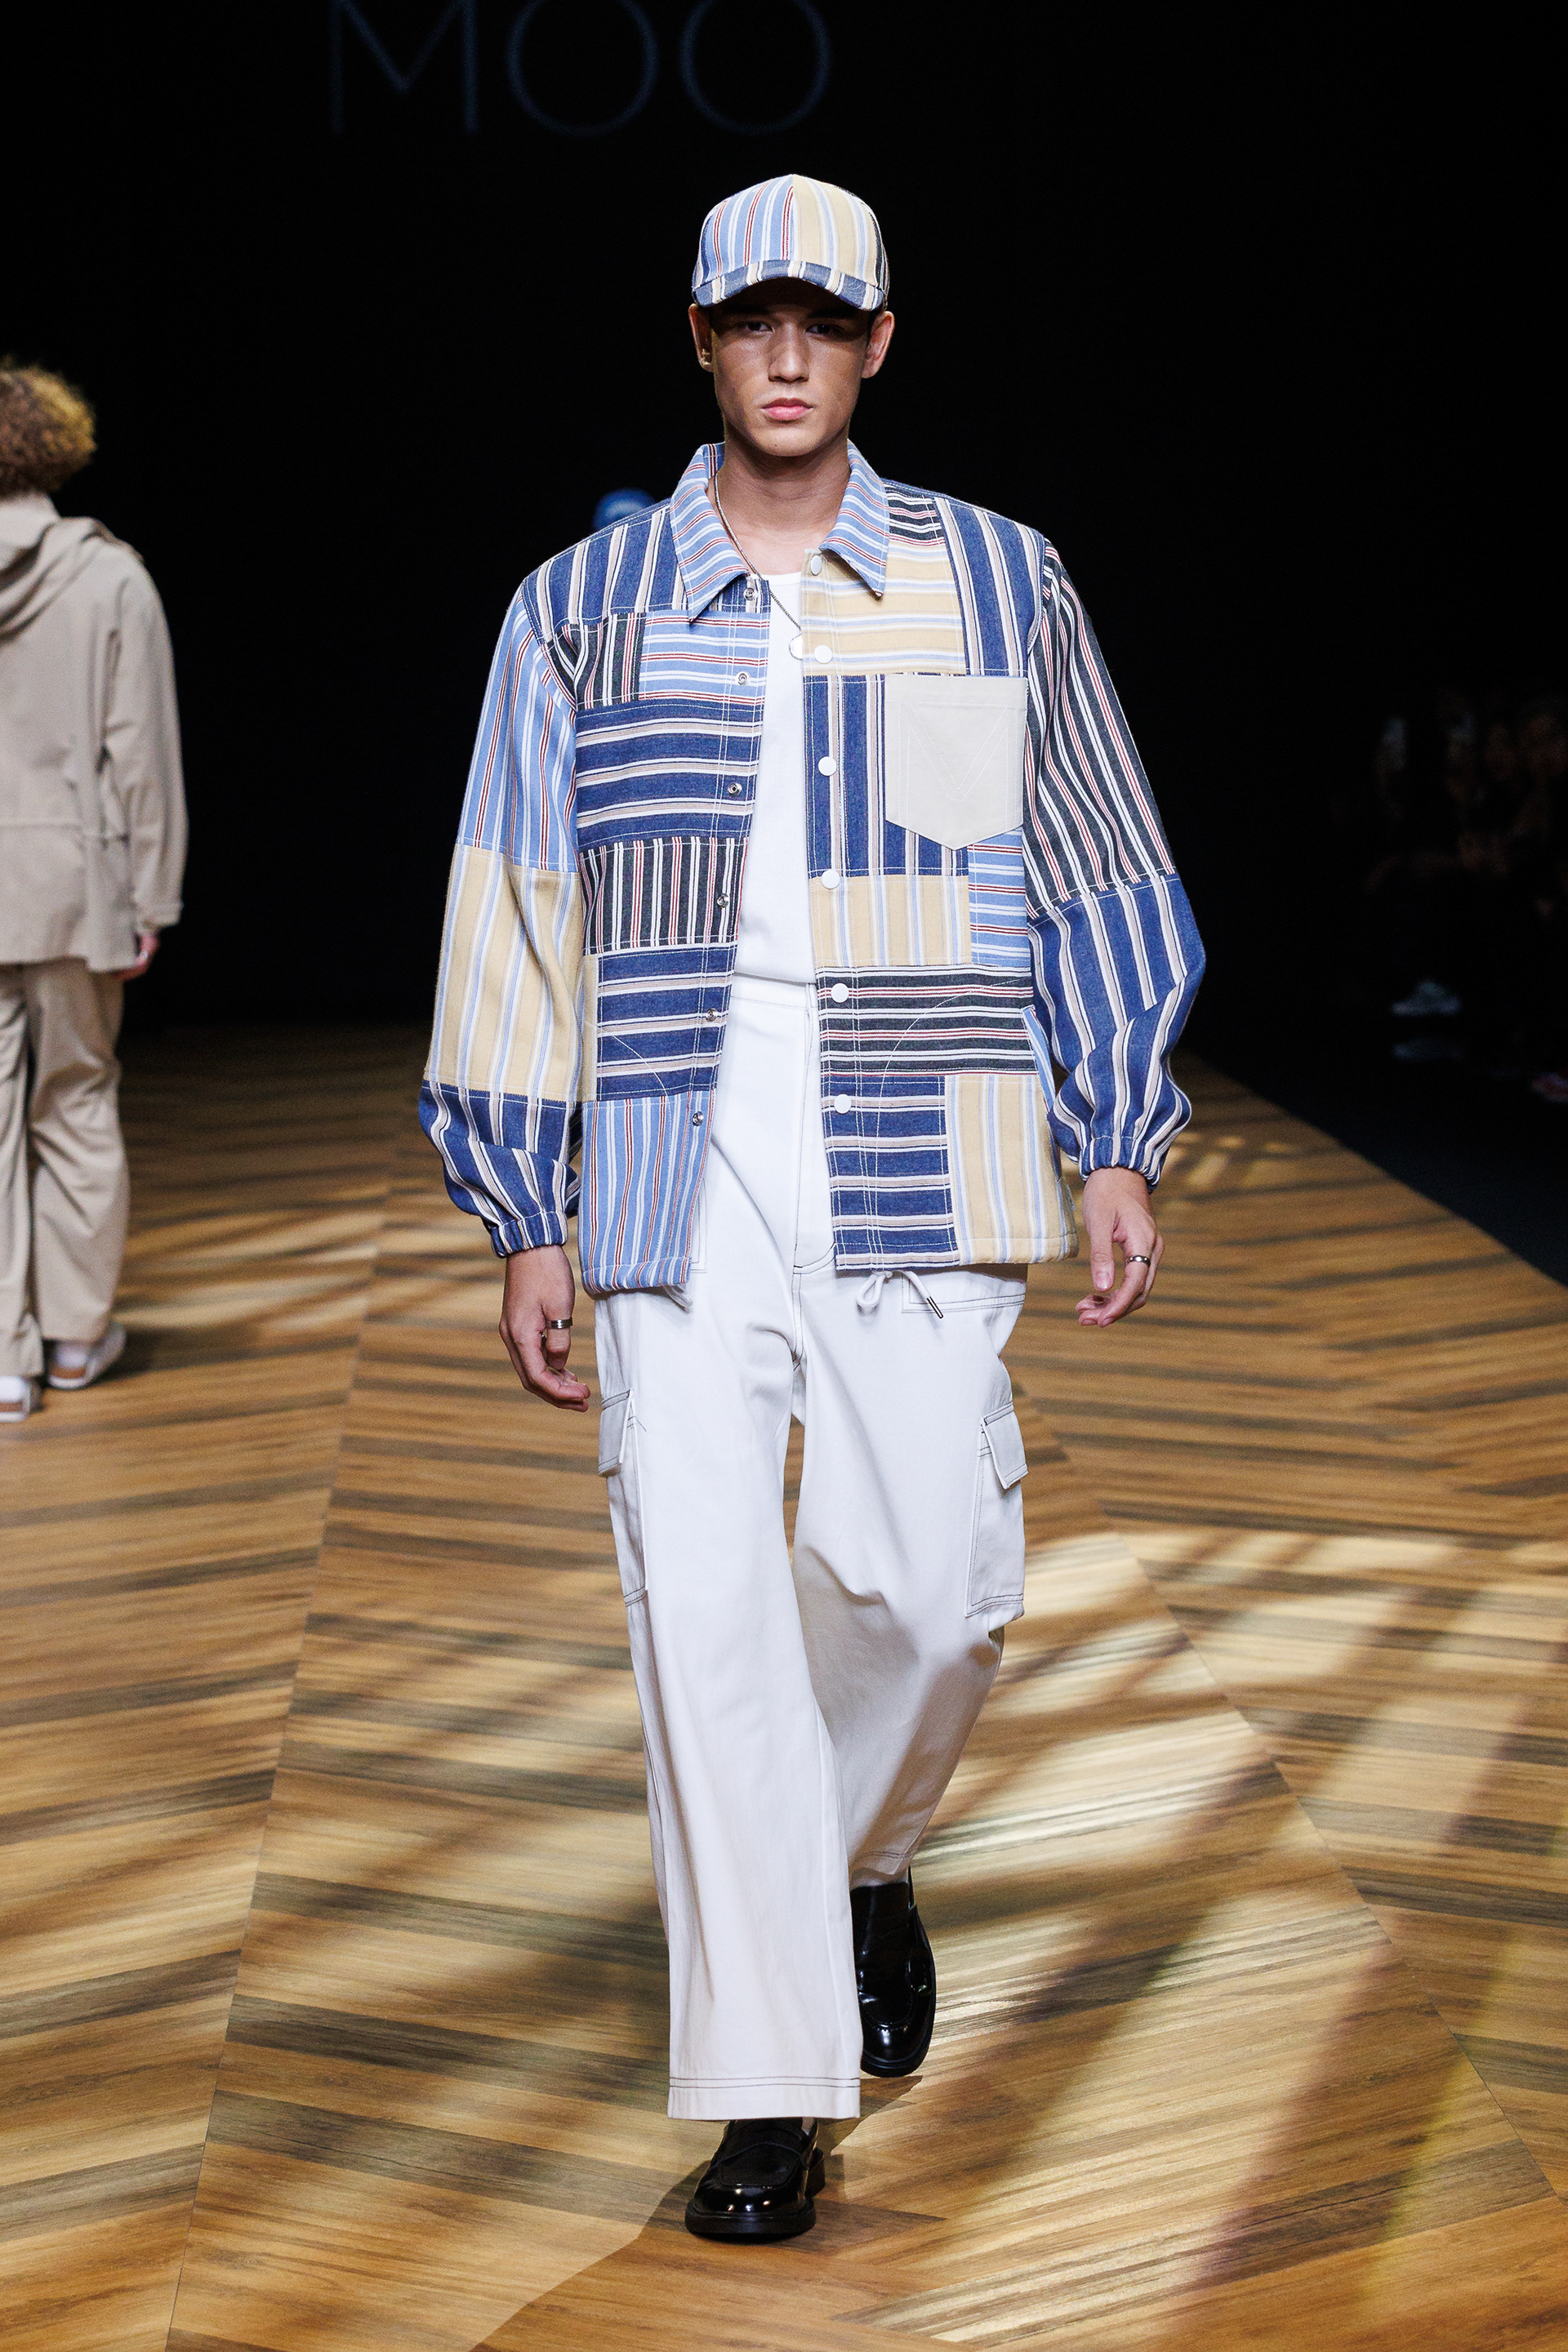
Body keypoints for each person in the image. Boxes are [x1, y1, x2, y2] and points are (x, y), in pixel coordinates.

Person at [421, 176, 1204, 2240]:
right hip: (669, 1140)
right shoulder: (582, 604)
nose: (787, 355)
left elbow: (1096, 862)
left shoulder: (997, 578)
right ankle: (769, 2090)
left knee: (929, 1594)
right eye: (752, 319)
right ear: (699, 337)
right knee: (702, 1616)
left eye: (824, 321)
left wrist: (1116, 1128)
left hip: (925, 1123)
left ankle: (861, 1858)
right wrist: (524, 1204)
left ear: (878, 342)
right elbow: (515, 904)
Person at [0, 365, 186, 1423]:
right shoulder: (109, 577)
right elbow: (141, 755)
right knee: (74, 1100)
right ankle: (74, 1337)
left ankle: (3, 1357)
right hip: (75, 888)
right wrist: (152, 896)